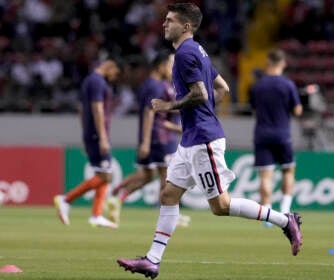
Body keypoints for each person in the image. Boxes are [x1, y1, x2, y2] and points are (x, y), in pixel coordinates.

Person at [115, 3, 303, 279]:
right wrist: (200, 113)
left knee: (221, 206)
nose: (164, 24)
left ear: (186, 26)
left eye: (169, 21)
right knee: (168, 194)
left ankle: (285, 220)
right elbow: (222, 88)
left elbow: (201, 93)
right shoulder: (198, 51)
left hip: (203, 139)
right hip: (192, 138)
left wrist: (169, 107)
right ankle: (152, 260)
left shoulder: (184, 54)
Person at [106, 51, 189, 227]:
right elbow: (149, 112)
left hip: (154, 135)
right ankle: (168, 214)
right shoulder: (156, 86)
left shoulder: (150, 85)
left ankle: (117, 195)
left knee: (146, 175)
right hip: (160, 137)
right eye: (169, 65)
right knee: (166, 177)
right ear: (160, 66)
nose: (171, 69)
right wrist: (145, 141)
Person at [54, 58, 122, 229]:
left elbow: (81, 109)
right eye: (116, 73)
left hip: (91, 133)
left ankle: (96, 215)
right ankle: (66, 199)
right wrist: (103, 137)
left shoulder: (89, 81)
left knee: (103, 172)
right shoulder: (97, 82)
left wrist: (85, 134)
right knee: (105, 175)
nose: (114, 77)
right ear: (109, 66)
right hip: (97, 134)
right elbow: (97, 109)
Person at [249, 49, 303, 226]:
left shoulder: (257, 86)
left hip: (262, 134)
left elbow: (253, 108)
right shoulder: (288, 85)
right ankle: (286, 210)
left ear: (267, 62)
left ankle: (268, 215)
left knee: (266, 175)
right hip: (282, 134)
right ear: (283, 63)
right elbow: (297, 110)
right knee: (288, 170)